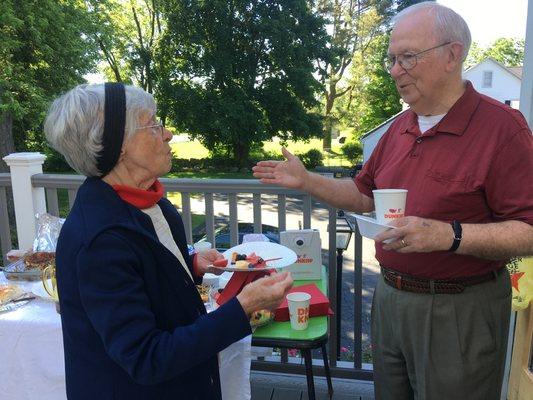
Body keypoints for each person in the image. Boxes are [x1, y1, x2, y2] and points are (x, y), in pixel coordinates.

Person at [253, 2, 533, 399]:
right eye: (392, 59)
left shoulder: (502, 130)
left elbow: (529, 231)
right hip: (390, 299)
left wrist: (448, 235)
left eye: (408, 57)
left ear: (453, 55)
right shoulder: (400, 128)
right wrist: (306, 181)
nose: (395, 70)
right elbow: (363, 195)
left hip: (460, 308)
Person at [44, 82, 293, 400]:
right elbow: (146, 358)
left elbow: (144, 270)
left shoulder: (151, 202)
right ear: (119, 146)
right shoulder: (99, 241)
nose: (168, 133)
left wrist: (189, 264)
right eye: (153, 124)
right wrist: (243, 308)